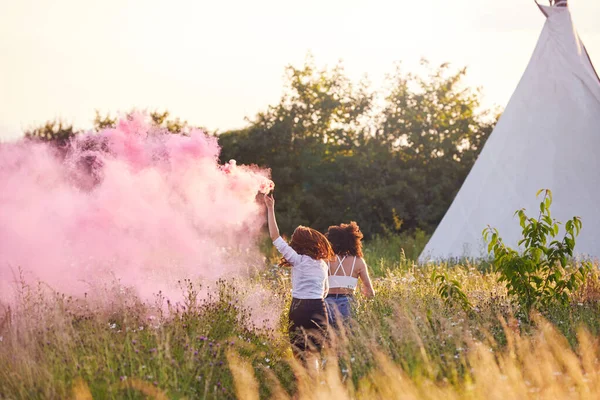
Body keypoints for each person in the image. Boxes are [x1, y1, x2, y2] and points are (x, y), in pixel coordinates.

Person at [263, 193, 333, 367]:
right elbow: (326, 291)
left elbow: (275, 237)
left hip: (300, 307)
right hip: (319, 307)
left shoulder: (297, 260)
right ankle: (315, 388)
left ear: (298, 243)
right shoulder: (323, 264)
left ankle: (302, 387)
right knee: (314, 354)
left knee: (299, 354)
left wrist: (270, 208)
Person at [325, 222, 375, 327]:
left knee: (328, 339)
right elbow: (370, 292)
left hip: (327, 303)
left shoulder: (326, 260)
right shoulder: (358, 261)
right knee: (347, 339)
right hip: (347, 303)